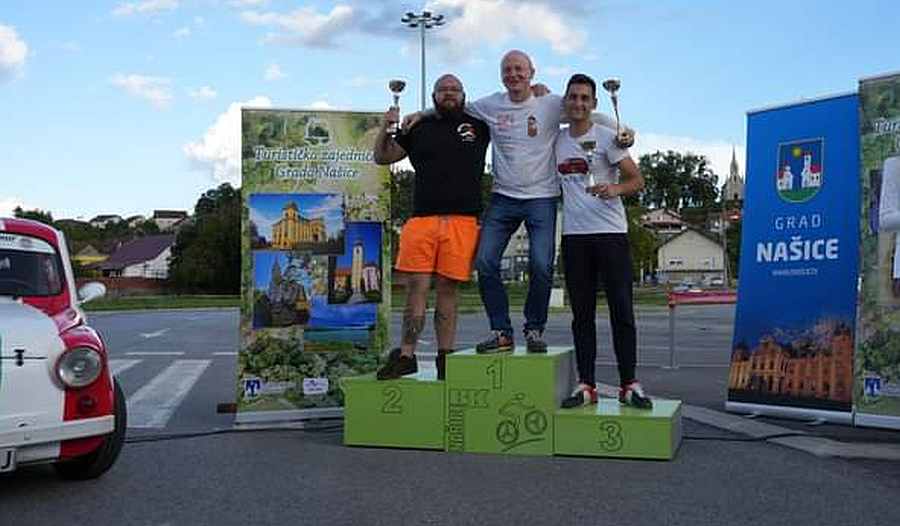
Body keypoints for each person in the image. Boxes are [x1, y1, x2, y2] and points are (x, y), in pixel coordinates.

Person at [463, 50, 633, 354]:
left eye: (520, 69)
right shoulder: (490, 105)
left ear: (532, 73)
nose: (514, 74)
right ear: (501, 75)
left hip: (541, 198)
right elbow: (454, 106)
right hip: (503, 196)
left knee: (542, 265)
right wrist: (419, 115)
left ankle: (534, 329)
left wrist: (624, 131)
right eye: (508, 69)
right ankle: (501, 331)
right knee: (485, 261)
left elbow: (591, 115)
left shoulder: (551, 103)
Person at [372, 74, 489, 380]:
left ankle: (445, 357)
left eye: (455, 89)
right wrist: (386, 127)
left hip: (462, 221)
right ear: (434, 95)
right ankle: (406, 355)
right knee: (417, 289)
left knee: (448, 291)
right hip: (422, 220)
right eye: (443, 90)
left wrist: (537, 92)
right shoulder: (417, 127)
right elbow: (382, 157)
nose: (449, 93)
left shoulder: (479, 125)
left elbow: (513, 109)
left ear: (463, 95)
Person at [555, 73, 652, 409]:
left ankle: (629, 383)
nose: (578, 103)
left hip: (611, 234)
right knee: (581, 315)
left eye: (585, 98)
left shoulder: (608, 137)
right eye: (573, 97)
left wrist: (615, 188)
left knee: (621, 310)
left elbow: (637, 180)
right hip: (574, 237)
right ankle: (586, 384)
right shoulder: (557, 141)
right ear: (566, 102)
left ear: (594, 103)